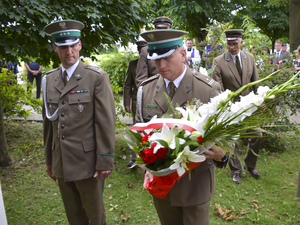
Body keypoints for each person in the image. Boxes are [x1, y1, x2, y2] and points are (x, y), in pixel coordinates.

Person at [137, 29, 228, 225]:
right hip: (162, 186)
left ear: (182, 54)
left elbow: (227, 138)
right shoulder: (147, 89)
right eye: (155, 59)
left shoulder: (208, 89)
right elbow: (142, 134)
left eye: (167, 57)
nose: (161, 65)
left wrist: (224, 154)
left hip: (194, 185)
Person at [43, 20, 115, 225]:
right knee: (74, 216)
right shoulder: (49, 80)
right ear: (55, 47)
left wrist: (105, 159)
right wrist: (49, 158)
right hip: (61, 162)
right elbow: (48, 124)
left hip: (87, 162)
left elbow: (105, 122)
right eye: (62, 46)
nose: (69, 51)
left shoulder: (95, 78)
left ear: (80, 45)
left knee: (95, 215)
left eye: (72, 45)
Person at [211, 29, 262, 183]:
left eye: (234, 44)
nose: (231, 47)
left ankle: (250, 165)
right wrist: (224, 105)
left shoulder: (250, 58)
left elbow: (256, 83)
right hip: (231, 109)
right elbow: (217, 87)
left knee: (257, 136)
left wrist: (261, 102)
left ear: (241, 43)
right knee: (233, 141)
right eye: (228, 44)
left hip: (249, 107)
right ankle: (236, 170)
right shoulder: (218, 61)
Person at [123, 38, 147, 169]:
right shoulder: (133, 64)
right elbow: (128, 85)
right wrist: (126, 102)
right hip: (135, 101)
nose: (141, 51)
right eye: (139, 49)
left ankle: (148, 156)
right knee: (135, 129)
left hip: (149, 102)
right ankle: (133, 158)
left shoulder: (153, 62)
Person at [135, 16, 173, 88]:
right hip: (154, 93)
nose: (161, 31)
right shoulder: (145, 51)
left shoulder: (178, 48)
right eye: (159, 28)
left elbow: (186, 73)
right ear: (155, 29)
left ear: (170, 29)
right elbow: (140, 80)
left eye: (165, 28)